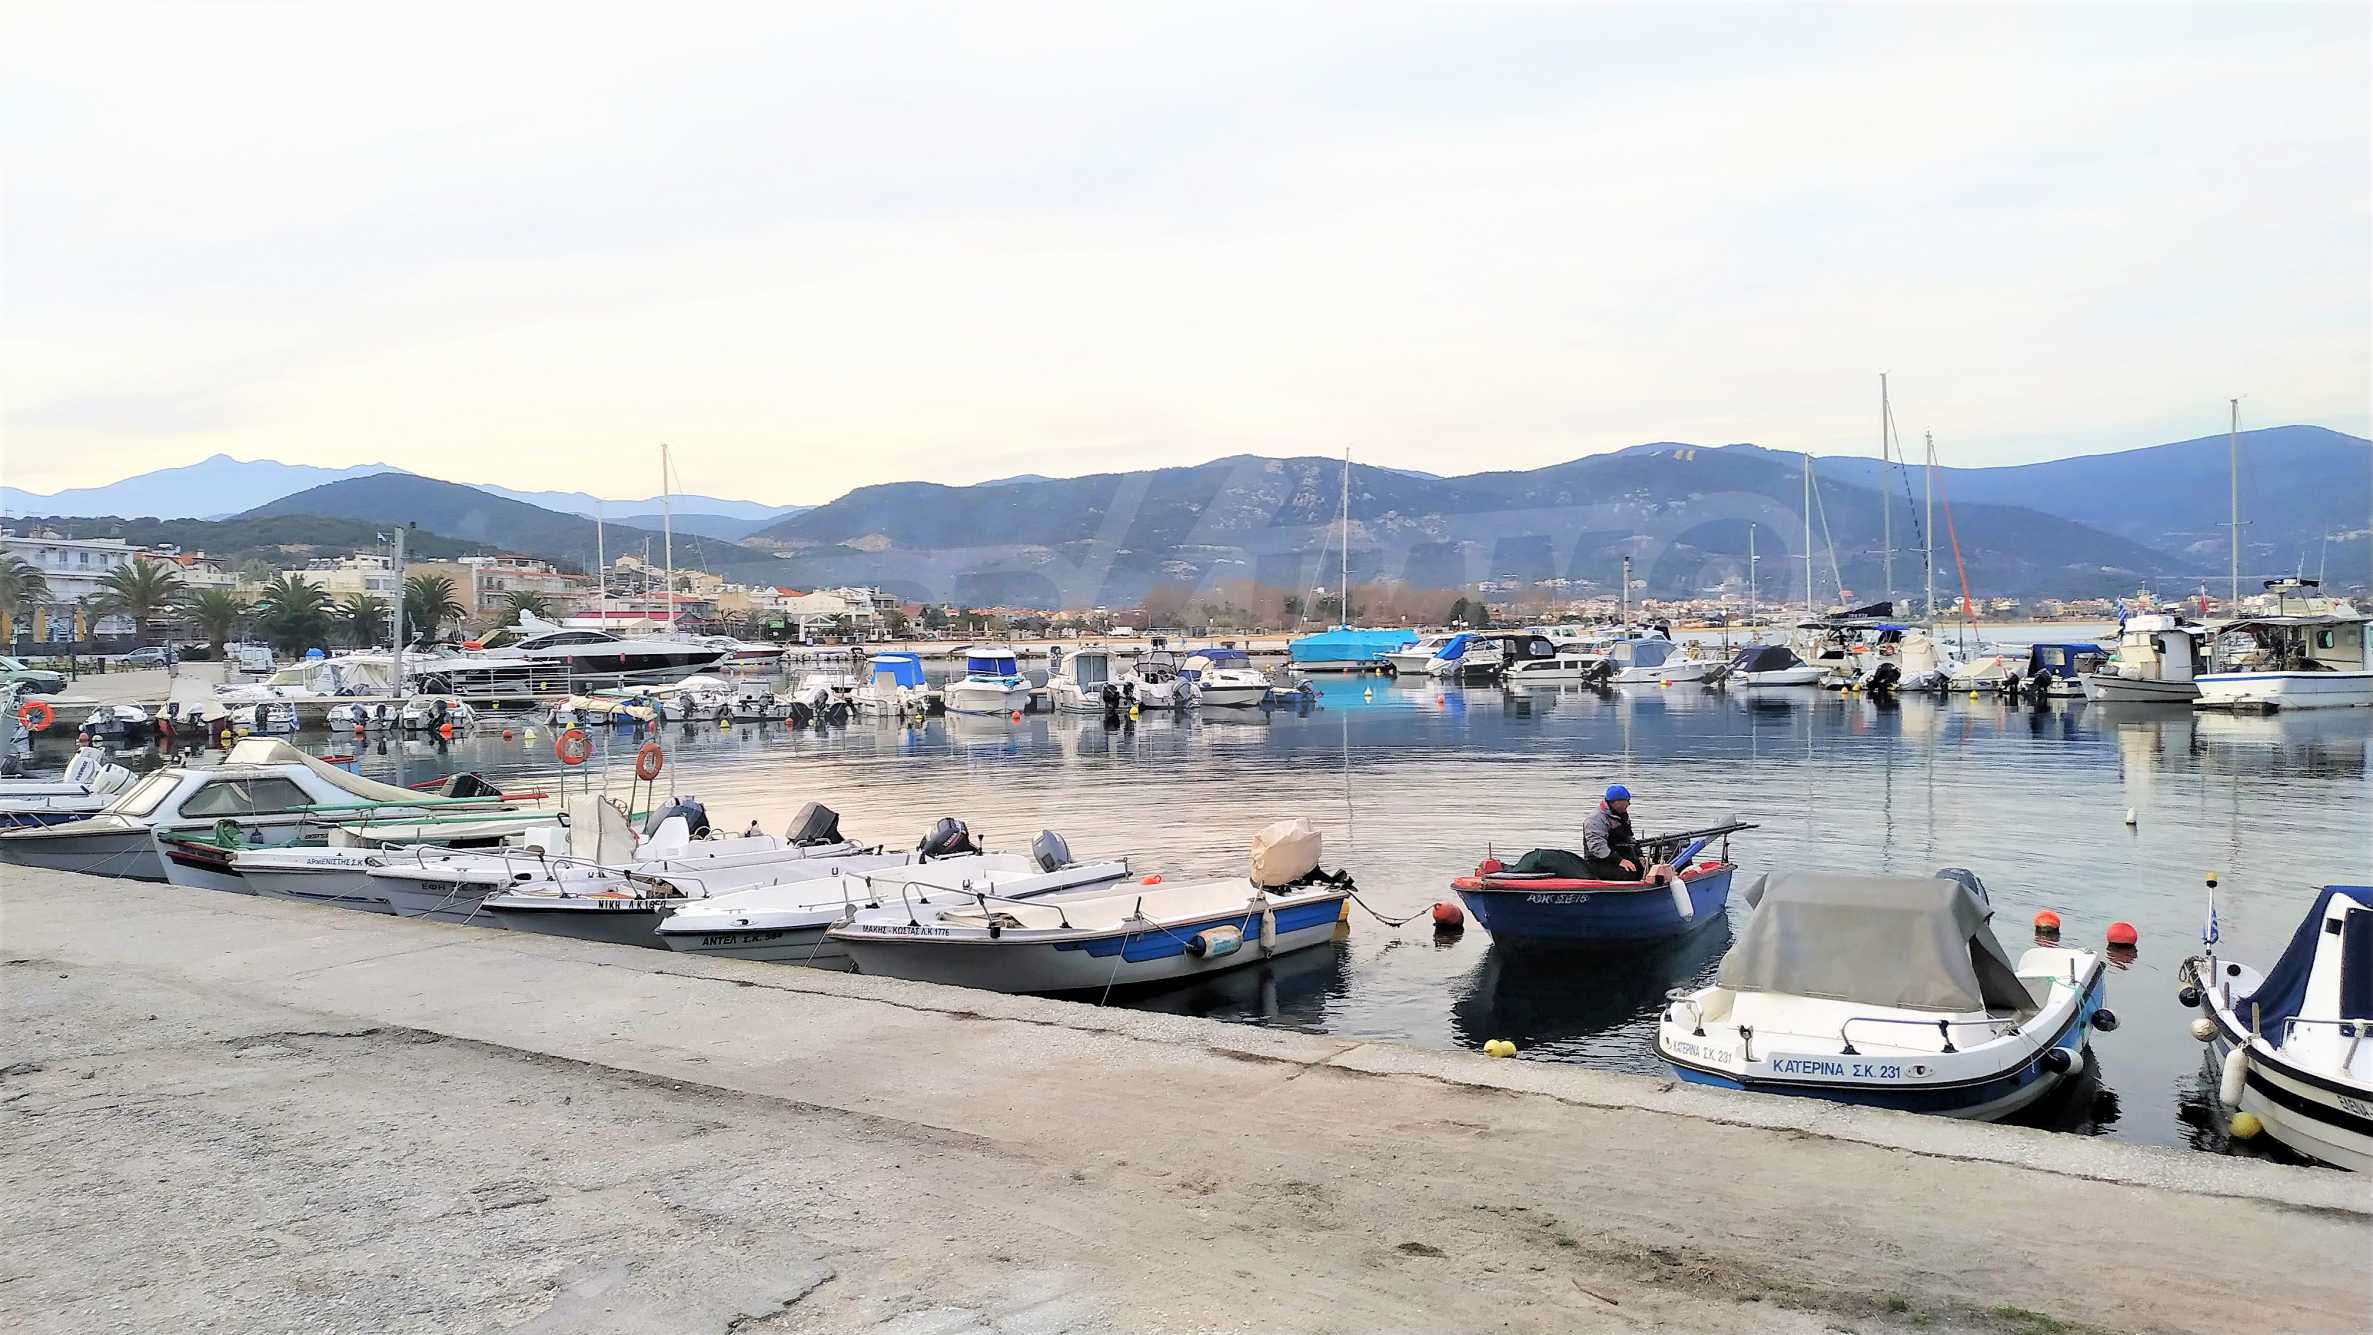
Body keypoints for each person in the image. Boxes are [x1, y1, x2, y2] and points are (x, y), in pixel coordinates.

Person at [1580, 784, 1640, 880]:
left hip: (1619, 856)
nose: (1629, 804)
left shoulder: (1622, 815)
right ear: (1616, 802)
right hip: (1599, 862)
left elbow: (1629, 838)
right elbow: (1597, 847)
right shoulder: (1595, 819)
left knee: (1641, 867)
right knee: (1629, 873)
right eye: (1627, 801)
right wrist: (1620, 861)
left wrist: (1639, 855)